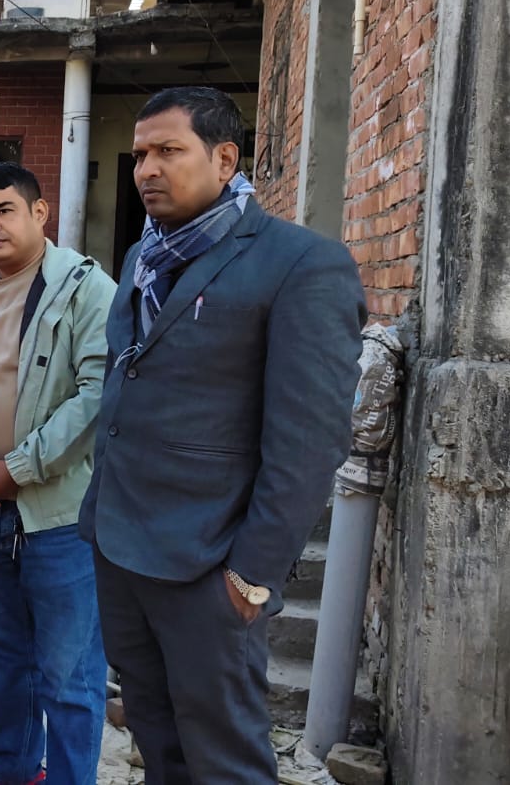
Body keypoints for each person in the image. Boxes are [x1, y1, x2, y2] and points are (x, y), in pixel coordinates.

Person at [80, 86, 365, 783]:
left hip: (209, 564)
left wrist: (252, 576)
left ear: (224, 159)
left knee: (224, 760)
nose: (147, 169)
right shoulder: (143, 257)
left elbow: (310, 439)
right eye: (140, 154)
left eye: (168, 151)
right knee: (158, 742)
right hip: (123, 549)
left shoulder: (300, 264)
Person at [0, 162, 118, 785]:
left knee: (69, 673)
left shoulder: (87, 289)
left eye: (3, 211)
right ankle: (9, 770)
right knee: (5, 656)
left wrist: (17, 468)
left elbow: (98, 395)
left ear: (40, 213)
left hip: (59, 514)